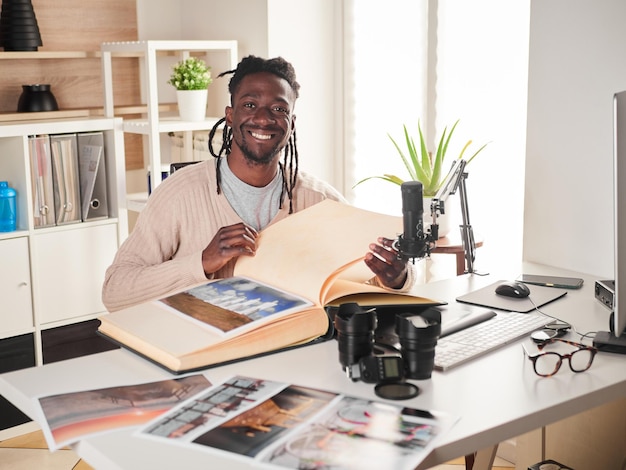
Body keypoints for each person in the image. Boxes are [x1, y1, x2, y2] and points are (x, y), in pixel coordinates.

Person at [102, 55, 413, 312]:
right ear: (229, 116)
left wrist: (396, 277)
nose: (264, 118)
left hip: (297, 351)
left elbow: (362, 281)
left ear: (291, 123)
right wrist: (202, 261)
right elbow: (115, 291)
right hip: (203, 357)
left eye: (279, 109)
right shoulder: (178, 194)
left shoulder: (319, 201)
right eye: (250, 105)